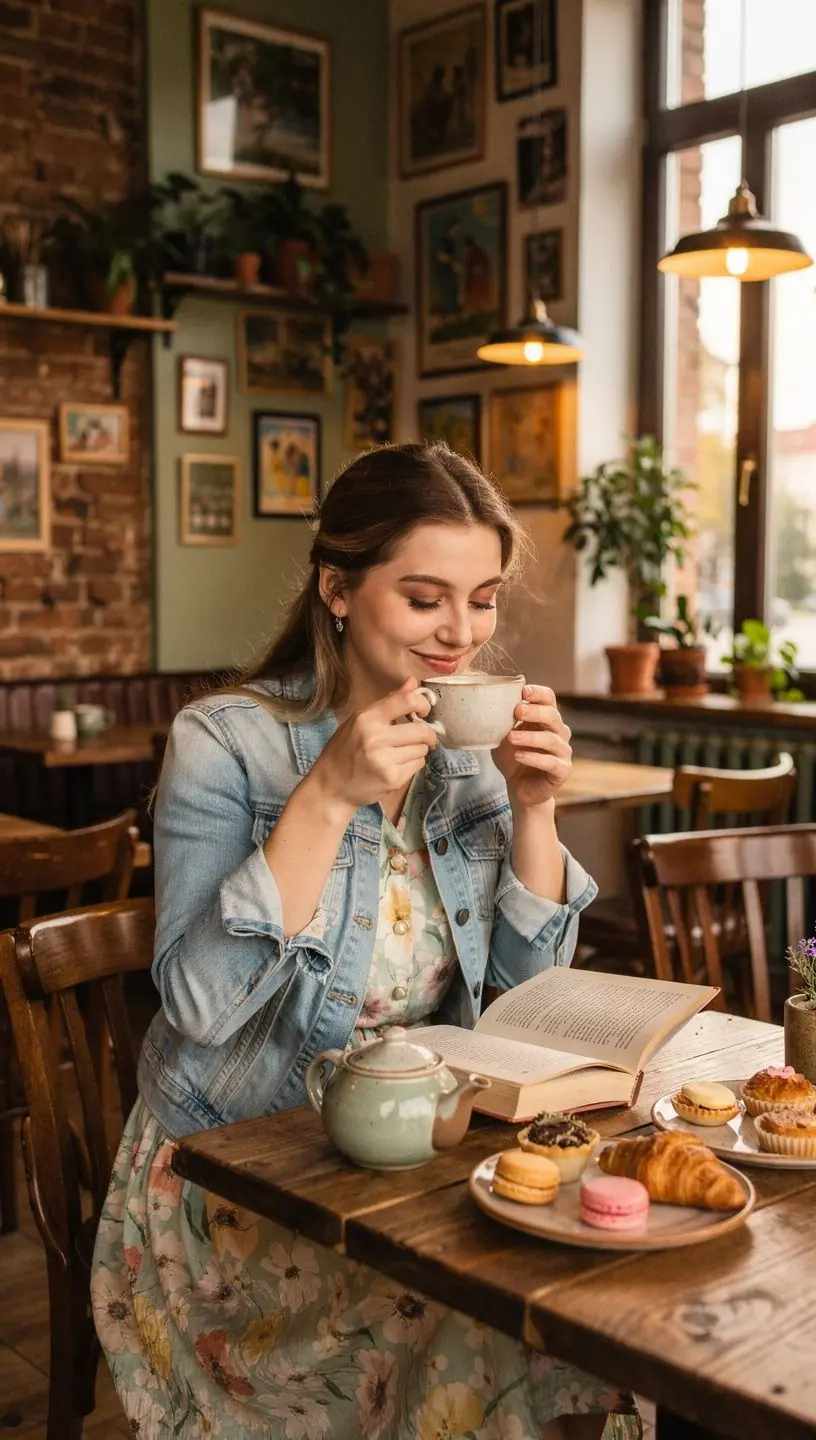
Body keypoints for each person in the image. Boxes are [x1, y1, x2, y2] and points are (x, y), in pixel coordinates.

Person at [92, 443, 640, 1440]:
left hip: (422, 1164)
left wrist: (534, 809)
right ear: (338, 590)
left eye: (482, 601)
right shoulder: (227, 742)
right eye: (426, 598)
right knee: (490, 1330)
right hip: (244, 1172)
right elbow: (200, 1006)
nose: (461, 634)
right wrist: (327, 797)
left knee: (596, 1310)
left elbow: (525, 1013)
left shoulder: (467, 760)